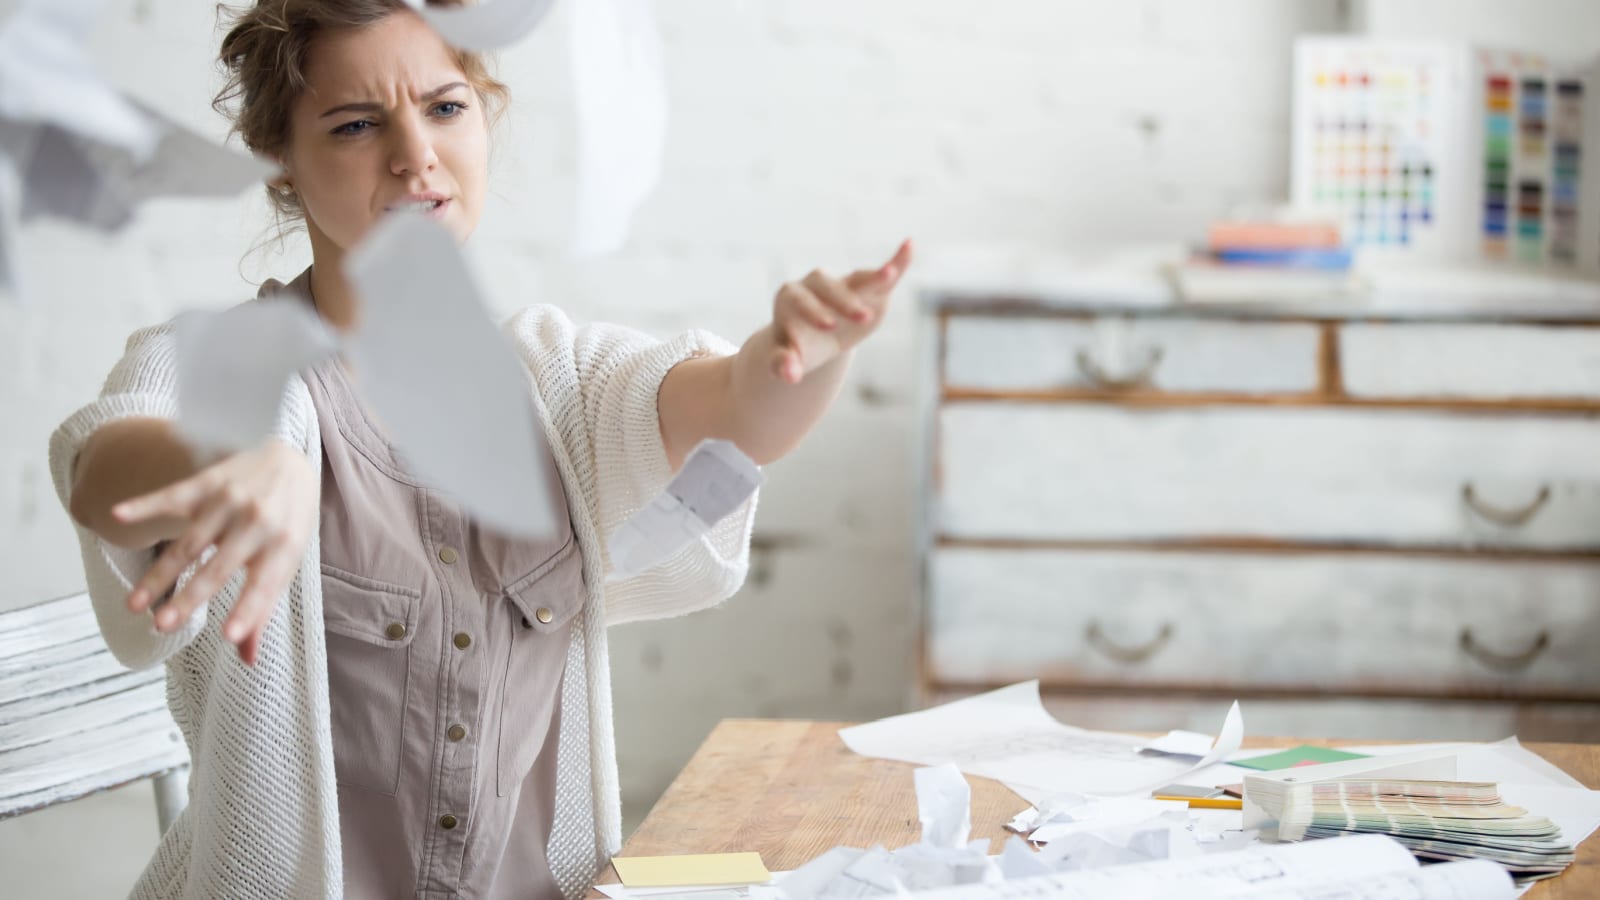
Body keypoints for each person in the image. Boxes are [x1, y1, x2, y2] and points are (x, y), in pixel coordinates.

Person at [48, 2, 912, 897]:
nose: (416, 155)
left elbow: (735, 413)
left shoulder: (557, 382)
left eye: (447, 108)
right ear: (283, 164)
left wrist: (806, 354)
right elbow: (100, 466)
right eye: (355, 125)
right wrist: (222, 466)